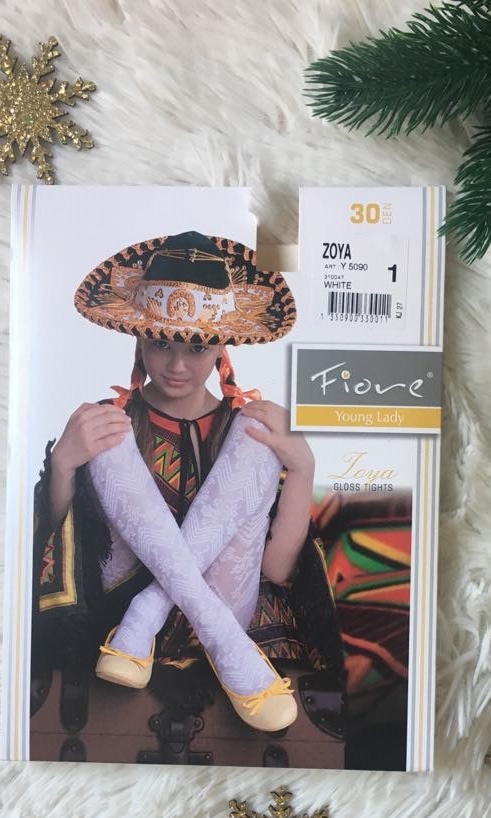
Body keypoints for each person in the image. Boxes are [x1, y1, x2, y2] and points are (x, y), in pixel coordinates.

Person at [31, 230, 345, 736]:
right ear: (139, 338)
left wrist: (304, 467)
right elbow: (64, 547)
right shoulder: (110, 423)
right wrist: (64, 464)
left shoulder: (251, 429)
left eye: (197, 346)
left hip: (220, 607)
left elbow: (276, 569)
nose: (177, 365)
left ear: (222, 345)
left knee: (258, 433)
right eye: (161, 343)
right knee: (104, 427)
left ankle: (152, 614)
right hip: (116, 605)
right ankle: (188, 633)